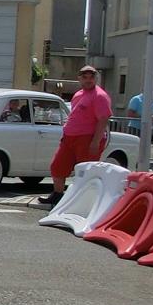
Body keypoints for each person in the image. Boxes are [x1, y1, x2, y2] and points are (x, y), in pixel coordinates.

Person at [40, 64, 112, 205]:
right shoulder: (78, 94)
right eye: (85, 77)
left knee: (85, 170)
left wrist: (95, 142)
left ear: (96, 78)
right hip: (69, 138)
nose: (88, 80)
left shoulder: (100, 96)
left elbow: (103, 119)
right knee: (57, 166)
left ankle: (83, 201)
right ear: (79, 79)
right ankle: (57, 195)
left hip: (87, 138)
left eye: (91, 77)